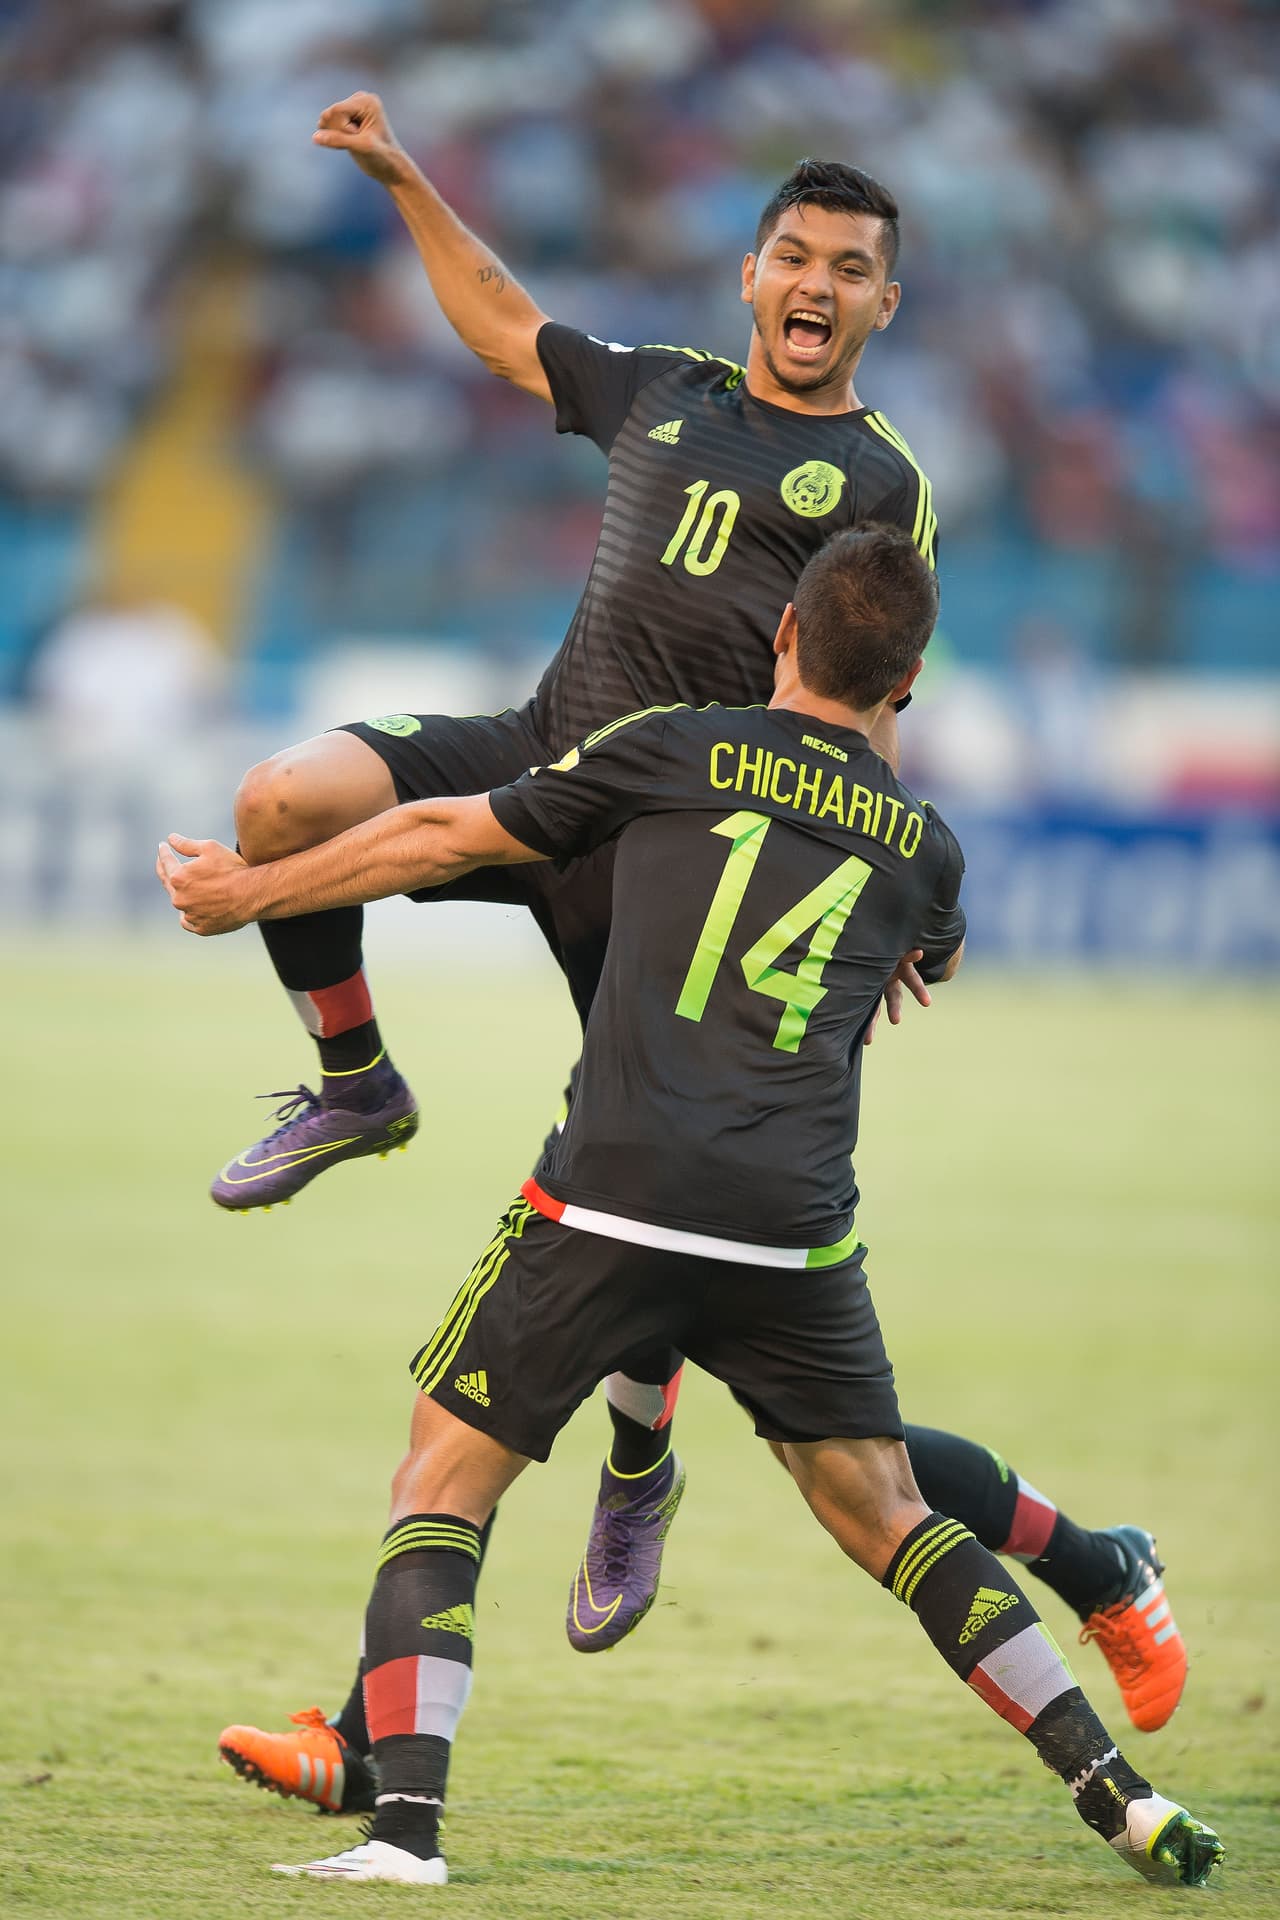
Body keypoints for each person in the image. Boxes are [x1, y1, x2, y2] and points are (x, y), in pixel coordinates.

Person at [199, 111, 1185, 1786]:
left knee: (640, 1217)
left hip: (670, 859)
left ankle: (616, 1499)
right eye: (795, 255)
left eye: (851, 270)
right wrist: (406, 181)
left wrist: (874, 908)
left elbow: (876, 699)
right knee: (281, 803)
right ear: (751, 273)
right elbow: (505, 320)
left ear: (886, 305)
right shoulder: (661, 388)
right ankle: (355, 1082)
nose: (816, 284)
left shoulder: (883, 487)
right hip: (548, 761)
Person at [159, 526, 1222, 1891]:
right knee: (887, 1509)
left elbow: (432, 830)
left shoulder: (673, 746)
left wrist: (253, 890)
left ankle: (402, 1829)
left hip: (616, 1192)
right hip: (789, 1225)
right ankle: (1122, 1799)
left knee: (443, 1479)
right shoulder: (929, 851)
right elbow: (928, 953)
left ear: (781, 633)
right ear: (907, 686)